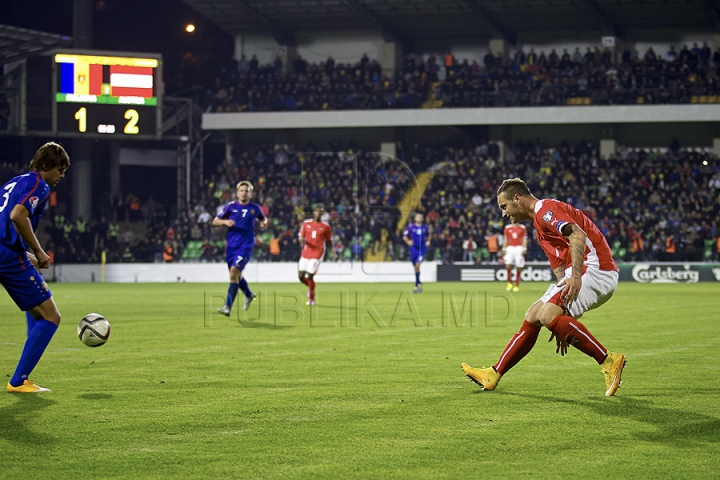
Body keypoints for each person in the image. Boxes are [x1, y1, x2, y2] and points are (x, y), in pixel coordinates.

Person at [462, 178, 626, 397]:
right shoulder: (540, 230)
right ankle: (493, 374)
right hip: (581, 270)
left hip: (595, 268)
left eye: (504, 206)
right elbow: (560, 271)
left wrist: (576, 277)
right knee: (534, 315)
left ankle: (609, 360)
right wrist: (561, 321)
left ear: (517, 198)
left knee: (547, 314)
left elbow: (577, 234)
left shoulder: (545, 210)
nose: (503, 214)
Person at [3, 142, 70, 393]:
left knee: (38, 301)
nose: (61, 175)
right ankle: (18, 380)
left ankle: (23, 378)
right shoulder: (38, 185)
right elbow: (18, 216)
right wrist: (40, 252)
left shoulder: (15, 182)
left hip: (5, 252)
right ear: (46, 165)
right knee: (51, 316)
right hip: (6, 256)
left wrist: (29, 257)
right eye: (60, 169)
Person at [213, 181, 268, 316]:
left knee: (233, 273)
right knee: (236, 275)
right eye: (242, 190)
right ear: (237, 193)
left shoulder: (254, 207)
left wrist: (264, 223)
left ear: (250, 193)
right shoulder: (230, 207)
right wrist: (225, 221)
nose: (244, 193)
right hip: (231, 246)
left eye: (247, 191)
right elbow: (215, 221)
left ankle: (227, 306)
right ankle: (249, 294)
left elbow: (263, 219)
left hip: (246, 246)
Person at [298, 205, 337, 305]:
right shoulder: (306, 223)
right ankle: (311, 287)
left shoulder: (325, 226)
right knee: (301, 276)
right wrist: (301, 240)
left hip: (317, 253)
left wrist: (333, 252)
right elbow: (301, 235)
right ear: (314, 212)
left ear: (322, 214)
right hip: (306, 252)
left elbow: (329, 241)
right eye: (317, 211)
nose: (318, 213)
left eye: (320, 212)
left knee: (310, 275)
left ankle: (311, 298)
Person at [403, 213, 430, 293]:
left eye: (421, 217)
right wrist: (408, 241)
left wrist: (428, 241)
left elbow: (428, 236)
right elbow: (405, 236)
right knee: (415, 267)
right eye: (419, 217)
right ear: (415, 219)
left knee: (418, 265)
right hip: (413, 248)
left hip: (422, 249)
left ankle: (416, 284)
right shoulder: (411, 227)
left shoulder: (425, 227)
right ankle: (418, 283)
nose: (420, 218)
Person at [503, 221, 528, 292]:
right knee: (508, 265)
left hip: (519, 248)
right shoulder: (507, 228)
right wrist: (504, 248)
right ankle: (510, 282)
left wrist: (524, 248)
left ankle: (517, 285)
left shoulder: (522, 228)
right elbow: (506, 238)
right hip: (510, 248)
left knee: (518, 267)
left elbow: (524, 238)